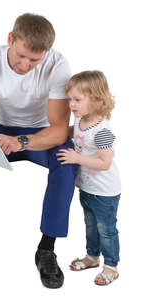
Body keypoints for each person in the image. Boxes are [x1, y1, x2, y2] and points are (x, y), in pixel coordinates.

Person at [0, 13, 77, 288]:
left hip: (40, 135)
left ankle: (46, 249)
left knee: (67, 163)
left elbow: (58, 130)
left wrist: (23, 142)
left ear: (46, 53)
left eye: (34, 60)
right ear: (10, 39)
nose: (25, 65)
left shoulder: (58, 64)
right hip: (1, 130)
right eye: (21, 56)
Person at [56, 71, 121, 286]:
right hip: (86, 188)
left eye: (77, 99)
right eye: (70, 99)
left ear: (96, 99)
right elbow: (74, 133)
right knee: (90, 226)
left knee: (106, 230)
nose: (71, 104)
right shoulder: (81, 121)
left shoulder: (102, 130)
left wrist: (77, 158)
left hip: (104, 192)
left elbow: (105, 163)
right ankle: (92, 257)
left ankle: (111, 267)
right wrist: (56, 132)